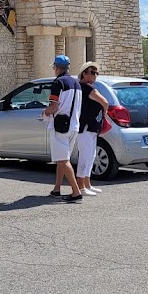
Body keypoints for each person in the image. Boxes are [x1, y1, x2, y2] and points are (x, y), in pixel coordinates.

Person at [42, 54, 83, 202]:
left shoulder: (58, 83)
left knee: (63, 160)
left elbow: (54, 106)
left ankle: (76, 192)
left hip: (60, 126)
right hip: (74, 125)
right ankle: (57, 189)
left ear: (57, 68)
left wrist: (45, 112)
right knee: (62, 159)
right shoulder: (76, 83)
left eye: (54, 67)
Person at [76, 61, 109, 196]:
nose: (95, 75)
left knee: (91, 155)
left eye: (96, 73)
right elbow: (105, 102)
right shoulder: (87, 88)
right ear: (84, 74)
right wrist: (105, 111)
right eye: (91, 72)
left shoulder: (86, 88)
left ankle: (87, 184)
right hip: (86, 126)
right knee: (85, 156)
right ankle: (81, 186)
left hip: (91, 127)